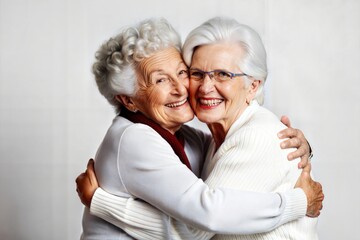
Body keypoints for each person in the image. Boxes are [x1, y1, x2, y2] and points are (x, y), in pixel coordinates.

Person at [77, 17, 323, 240]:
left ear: (253, 86)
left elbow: (194, 231)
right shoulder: (137, 138)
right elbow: (198, 228)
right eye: (196, 73)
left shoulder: (231, 137)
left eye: (182, 72)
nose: (184, 88)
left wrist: (296, 147)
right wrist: (299, 201)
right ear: (128, 100)